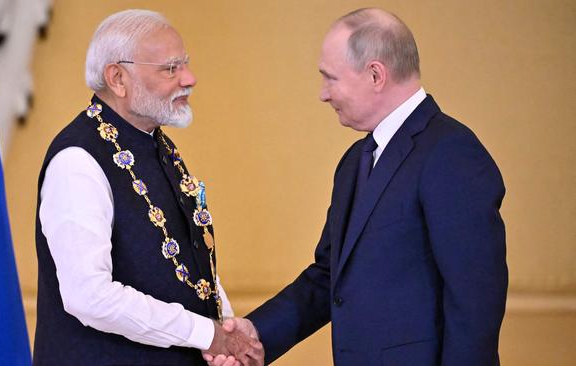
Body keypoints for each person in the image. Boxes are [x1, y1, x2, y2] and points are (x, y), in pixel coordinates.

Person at [206, 7, 507, 366]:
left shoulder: (450, 152)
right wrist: (257, 334)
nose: (323, 94)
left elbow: (475, 300)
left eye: (330, 78)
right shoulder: (355, 160)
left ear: (376, 74)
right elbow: (329, 277)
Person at [33, 9, 263, 365]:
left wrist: (225, 329)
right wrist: (206, 334)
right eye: (171, 68)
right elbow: (89, 296)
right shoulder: (77, 161)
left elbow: (192, 265)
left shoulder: (158, 145)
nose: (190, 78)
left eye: (184, 65)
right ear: (118, 78)